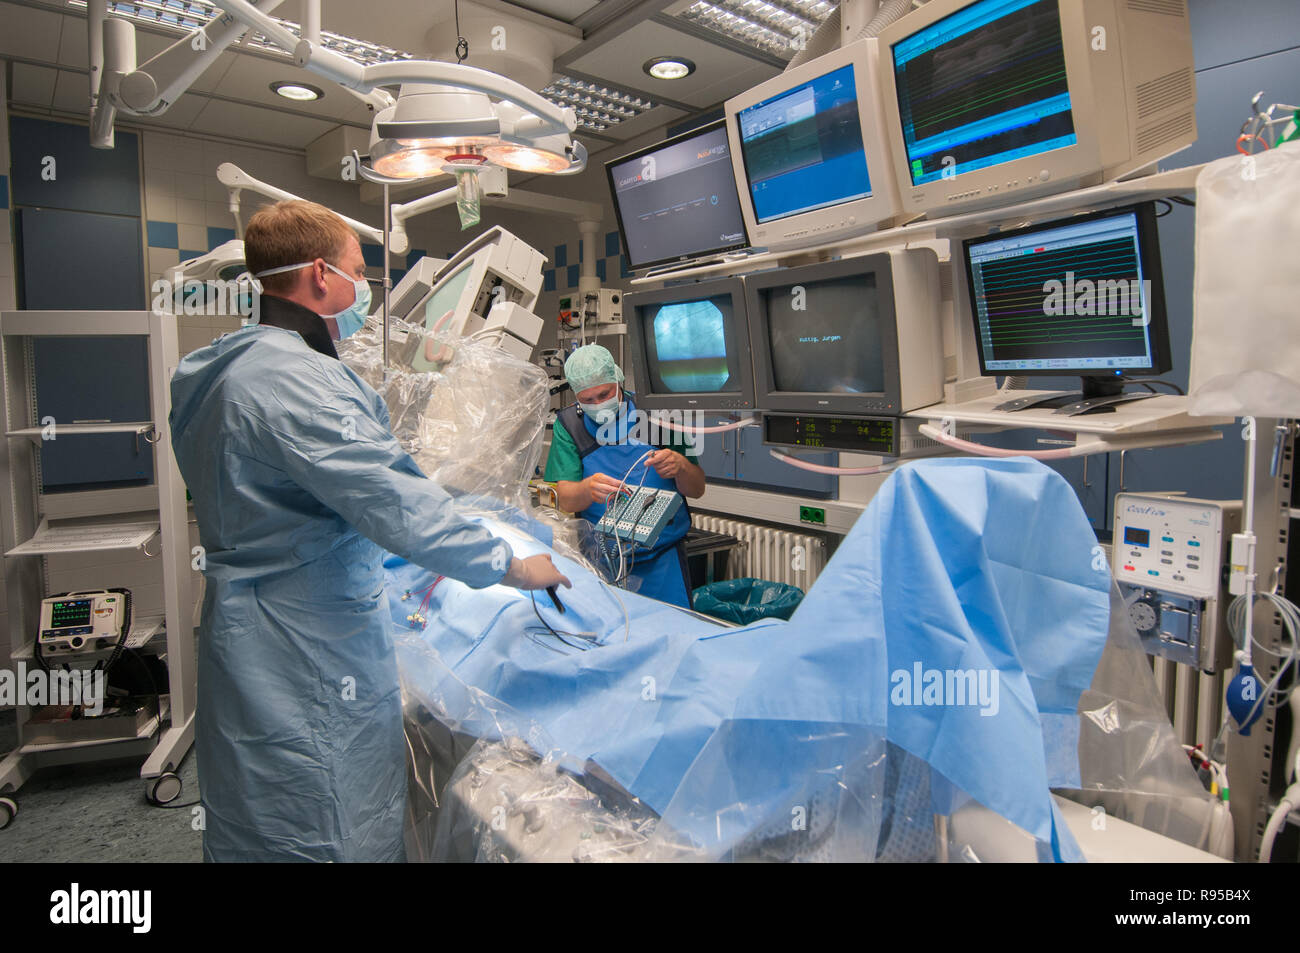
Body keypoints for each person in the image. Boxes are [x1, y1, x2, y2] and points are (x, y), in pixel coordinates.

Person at [169, 199, 569, 862]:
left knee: (254, 817)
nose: (366, 292)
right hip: (306, 650)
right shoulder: (301, 380)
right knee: (327, 822)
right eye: (362, 274)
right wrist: (514, 563)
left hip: (243, 635)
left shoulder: (213, 370)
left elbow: (309, 492)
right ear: (321, 275)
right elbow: (395, 503)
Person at [544, 344, 705, 608]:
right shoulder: (570, 425)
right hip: (601, 561)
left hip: (662, 561)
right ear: (575, 396)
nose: (598, 404)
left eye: (604, 394)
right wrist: (586, 490)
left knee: (671, 635)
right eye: (587, 399)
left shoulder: (657, 414)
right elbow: (564, 499)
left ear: (619, 380)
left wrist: (682, 466)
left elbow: (697, 488)